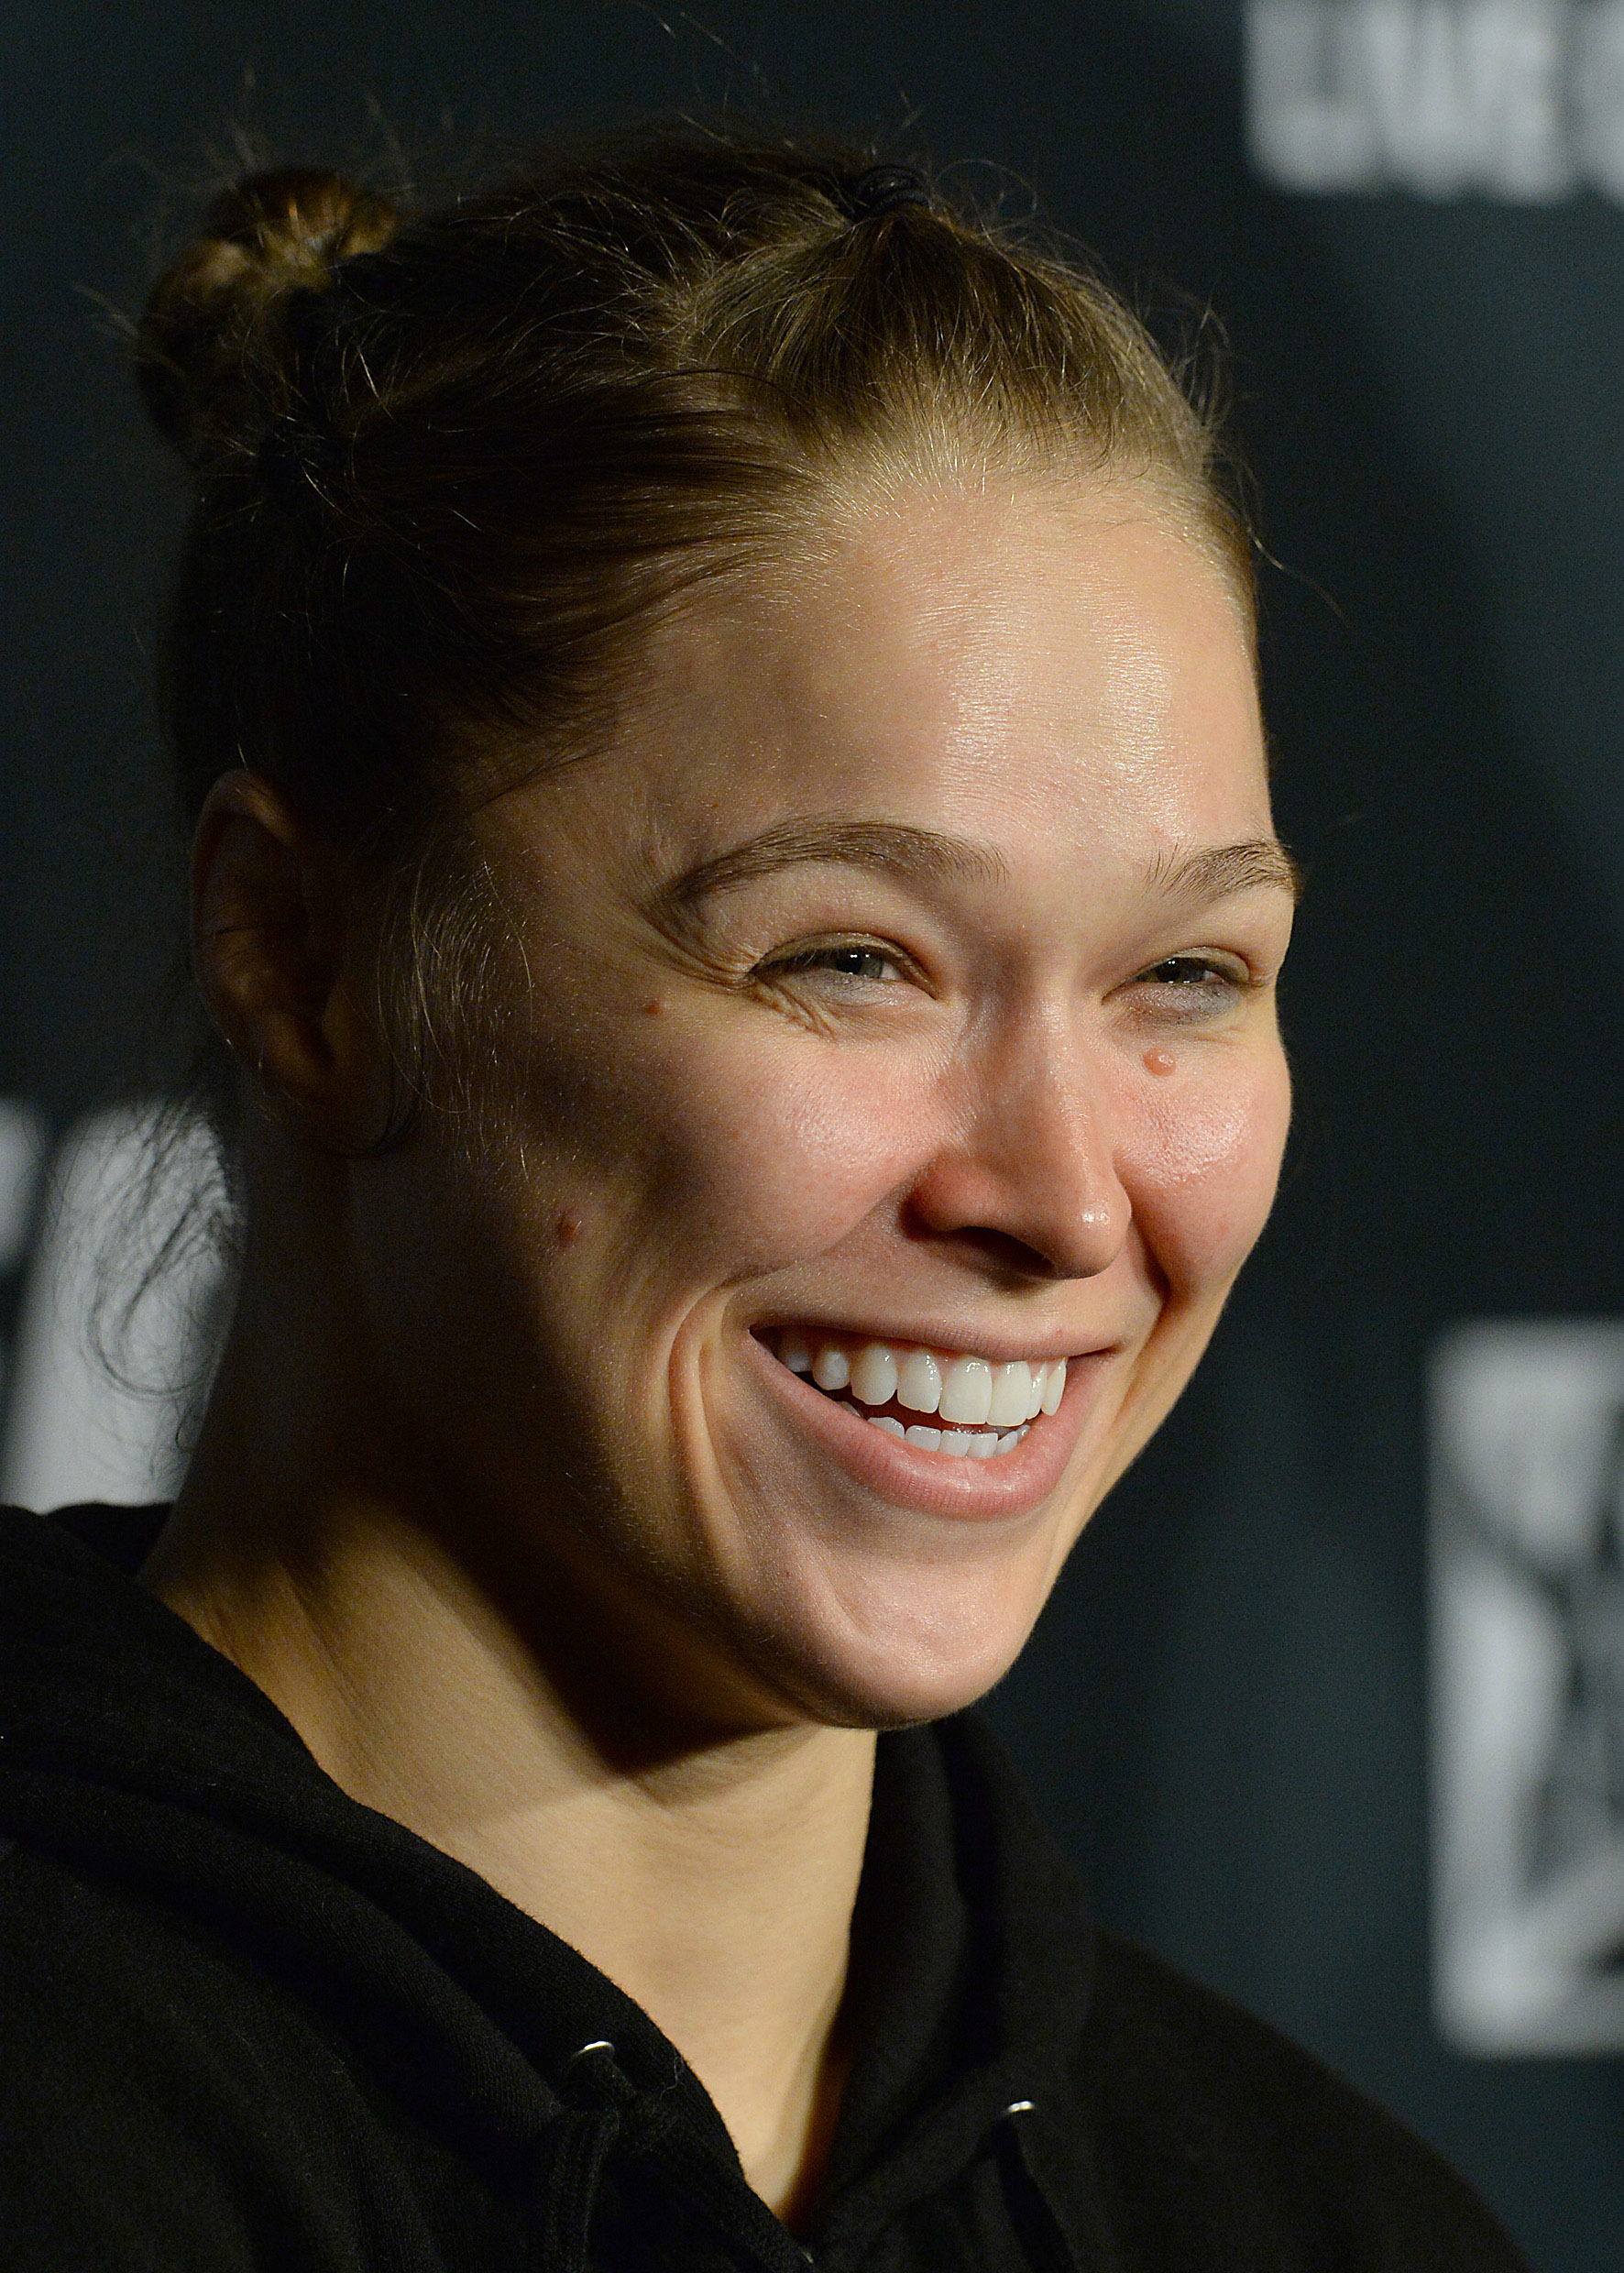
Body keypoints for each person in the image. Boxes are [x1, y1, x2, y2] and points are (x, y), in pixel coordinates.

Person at [0, 130, 1528, 2270]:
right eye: (850, 958)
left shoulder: (1329, 2226)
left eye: (1185, 974)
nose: (1065, 1200)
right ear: (306, 958)